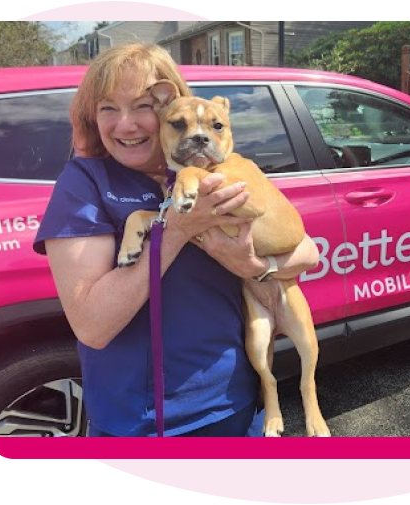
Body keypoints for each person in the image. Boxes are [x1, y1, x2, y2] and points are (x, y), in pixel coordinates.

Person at [32, 43, 320, 437]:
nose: (126, 124)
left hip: (238, 403)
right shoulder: (84, 184)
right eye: (108, 108)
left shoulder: (211, 169)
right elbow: (93, 326)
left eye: (143, 106)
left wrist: (257, 267)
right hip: (146, 424)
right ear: (91, 117)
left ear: (171, 103)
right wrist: (179, 228)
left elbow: (307, 251)